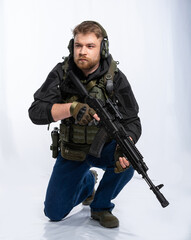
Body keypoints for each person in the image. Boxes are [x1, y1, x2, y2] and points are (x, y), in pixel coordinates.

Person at [28, 20, 142, 228]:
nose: (82, 51)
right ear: (72, 46)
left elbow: (132, 120)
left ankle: (101, 206)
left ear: (102, 48)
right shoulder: (62, 72)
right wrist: (70, 108)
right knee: (53, 213)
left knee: (129, 160)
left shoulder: (114, 78)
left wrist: (126, 144)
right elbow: (35, 112)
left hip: (104, 147)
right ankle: (89, 182)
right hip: (72, 151)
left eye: (90, 46)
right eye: (78, 45)